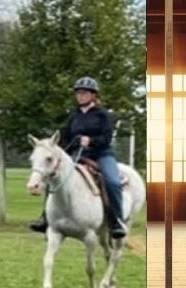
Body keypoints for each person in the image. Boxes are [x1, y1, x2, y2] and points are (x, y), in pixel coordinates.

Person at [29, 76, 128, 239]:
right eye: (78, 93)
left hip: (101, 154)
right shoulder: (73, 116)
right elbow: (66, 138)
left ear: (93, 95)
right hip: (77, 155)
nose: (80, 96)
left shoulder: (102, 115)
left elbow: (107, 138)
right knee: (53, 178)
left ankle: (116, 220)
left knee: (112, 181)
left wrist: (91, 140)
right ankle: (45, 218)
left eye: (84, 93)